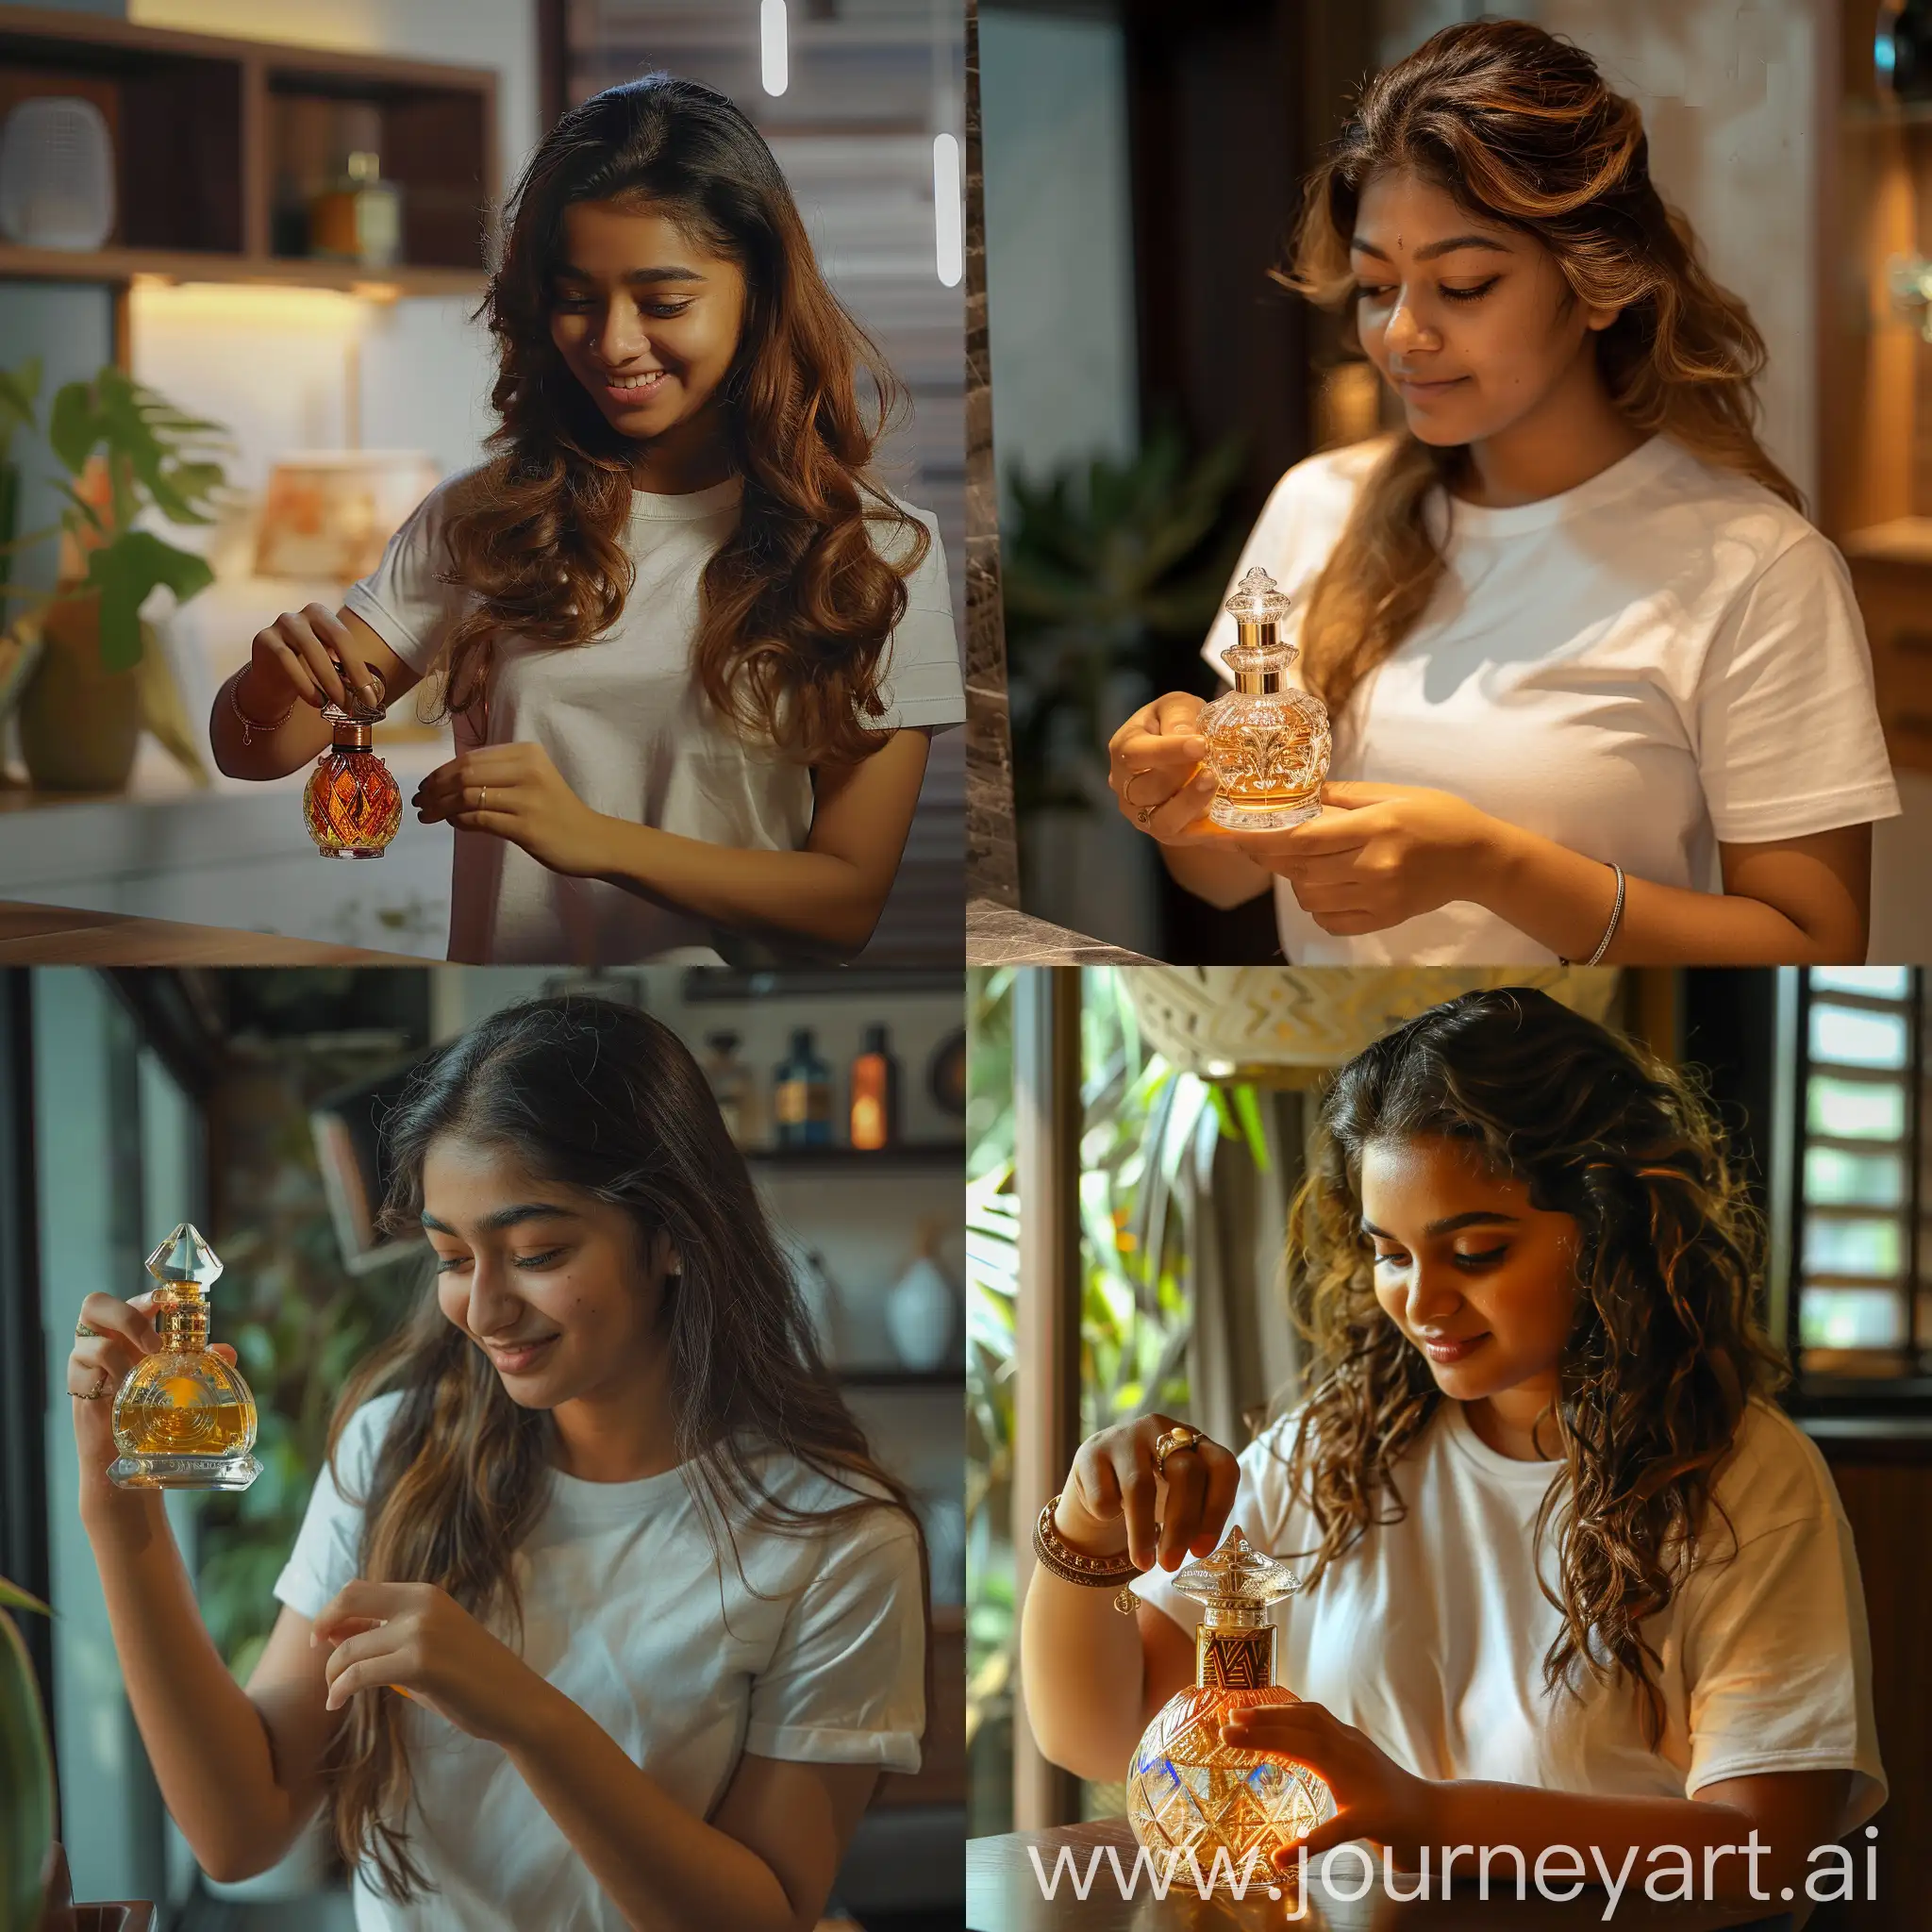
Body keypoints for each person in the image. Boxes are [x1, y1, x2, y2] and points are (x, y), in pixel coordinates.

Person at [1020, 988, 1883, 1921]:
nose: (1420, 1301)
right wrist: (1083, 1524)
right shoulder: (1335, 1444)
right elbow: (1102, 1732)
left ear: (1606, 1222)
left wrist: (1428, 1816)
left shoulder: (1740, 1477)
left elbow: (1760, 1849)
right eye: (1388, 1252)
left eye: (1472, 1251)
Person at [72, 995, 928, 1932]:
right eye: (449, 1255)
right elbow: (241, 1827)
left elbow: (761, 1915)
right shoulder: (395, 1449)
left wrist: (522, 1706)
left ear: (674, 1232)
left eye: (535, 1252)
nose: (481, 1307)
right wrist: (122, 1518)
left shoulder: (836, 1538)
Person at [1106, 20, 1897, 967]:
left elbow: (1814, 945)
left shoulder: (1751, 566)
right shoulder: (1316, 505)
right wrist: (1178, 798)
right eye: (1372, 286)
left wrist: (1492, 866)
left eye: (1464, 285)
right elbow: (1228, 874)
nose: (1400, 336)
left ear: (1599, 283)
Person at [210, 75, 963, 966]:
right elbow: (256, 751)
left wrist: (594, 838)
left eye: (663, 302)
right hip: (506, 1012)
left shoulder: (876, 553)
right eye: (577, 299)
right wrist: (266, 684)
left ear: (758, 292)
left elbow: (846, 902)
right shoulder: (482, 520)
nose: (612, 342)